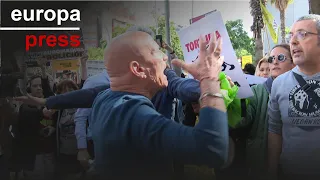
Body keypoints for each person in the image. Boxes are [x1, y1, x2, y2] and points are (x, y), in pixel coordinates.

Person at [90, 30, 228, 179]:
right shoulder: (134, 113)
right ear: (138, 69)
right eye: (154, 51)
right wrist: (209, 78)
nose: (164, 57)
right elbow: (211, 149)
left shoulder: (103, 98)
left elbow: (85, 94)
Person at [268, 14, 320, 180]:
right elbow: (275, 131)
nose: (293, 42)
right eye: (291, 36)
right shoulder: (279, 84)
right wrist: (272, 172)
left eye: (302, 34)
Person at [235, 44, 294, 180]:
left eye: (280, 57)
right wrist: (238, 99)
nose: (274, 61)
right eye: (271, 58)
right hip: (261, 163)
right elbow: (242, 120)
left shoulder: (301, 92)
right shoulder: (257, 91)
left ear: (293, 63)